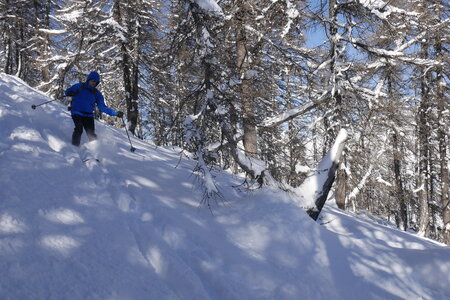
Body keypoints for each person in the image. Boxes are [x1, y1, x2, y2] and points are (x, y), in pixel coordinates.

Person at [65, 71, 124, 146]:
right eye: (92, 80)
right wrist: (70, 92)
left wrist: (115, 113)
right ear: (89, 79)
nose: (94, 83)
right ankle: (74, 147)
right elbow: (67, 91)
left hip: (88, 115)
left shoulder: (97, 94)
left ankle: (94, 151)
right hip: (76, 112)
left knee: (91, 134)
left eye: (96, 82)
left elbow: (102, 107)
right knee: (79, 129)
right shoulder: (79, 86)